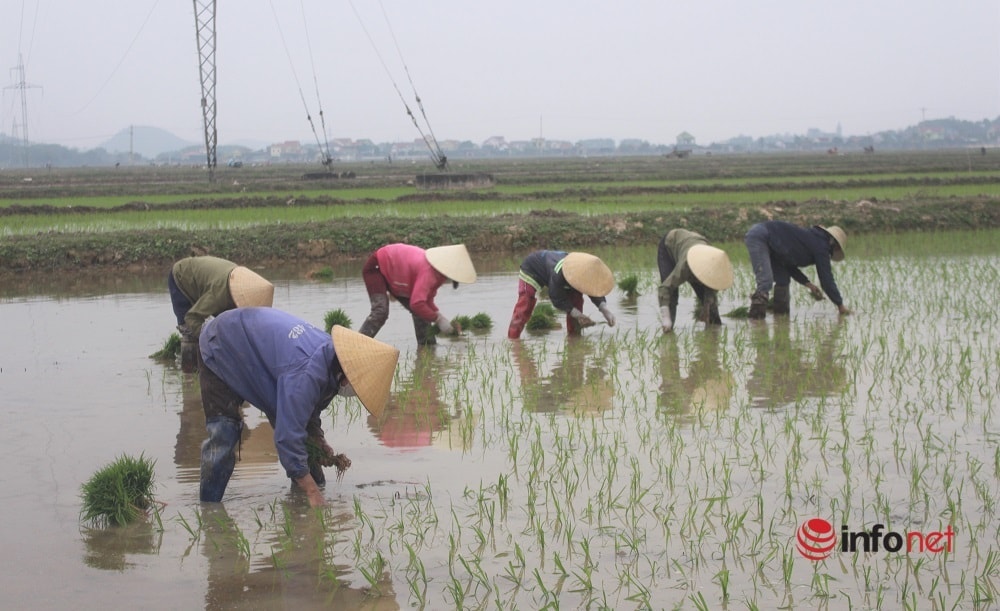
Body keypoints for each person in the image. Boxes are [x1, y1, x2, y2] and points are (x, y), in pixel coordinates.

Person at [198, 307, 400, 507]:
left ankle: (298, 513)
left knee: (308, 456)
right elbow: (287, 437)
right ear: (348, 375)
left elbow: (307, 412)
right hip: (221, 343)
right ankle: (209, 511)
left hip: (261, 355)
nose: (352, 389)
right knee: (224, 433)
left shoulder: (331, 360)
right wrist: (312, 492)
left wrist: (318, 438)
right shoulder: (306, 374)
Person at [168, 255, 274, 372]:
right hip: (181, 277)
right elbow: (192, 317)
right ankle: (189, 376)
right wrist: (212, 342)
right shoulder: (218, 294)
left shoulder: (237, 282)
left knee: (230, 327)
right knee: (189, 331)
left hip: (208, 279)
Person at [358, 243, 478, 345]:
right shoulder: (429, 271)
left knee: (422, 313)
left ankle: (427, 349)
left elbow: (426, 300)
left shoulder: (439, 274)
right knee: (380, 311)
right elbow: (417, 303)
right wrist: (438, 319)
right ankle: (356, 345)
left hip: (397, 274)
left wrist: (441, 317)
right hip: (377, 267)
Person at [743, 221, 850, 319]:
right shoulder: (821, 246)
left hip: (774, 246)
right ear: (835, 245)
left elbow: (789, 265)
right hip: (761, 236)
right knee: (765, 281)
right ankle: (756, 322)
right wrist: (840, 305)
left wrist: (808, 284)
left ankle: (780, 318)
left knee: (783, 279)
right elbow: (826, 279)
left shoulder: (813, 240)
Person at [507, 251, 616, 339]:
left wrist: (604, 309)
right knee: (525, 303)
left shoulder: (585, 270)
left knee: (576, 301)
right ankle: (513, 340)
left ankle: (574, 339)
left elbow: (592, 289)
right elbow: (556, 297)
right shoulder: (560, 272)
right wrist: (577, 314)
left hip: (555, 273)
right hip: (532, 269)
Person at [657, 229, 734, 333]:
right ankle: (668, 332)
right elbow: (665, 288)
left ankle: (713, 336)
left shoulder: (714, 264)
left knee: (711, 305)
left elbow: (711, 292)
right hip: (670, 246)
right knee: (672, 296)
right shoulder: (685, 267)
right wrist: (666, 317)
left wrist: (708, 306)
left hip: (696, 243)